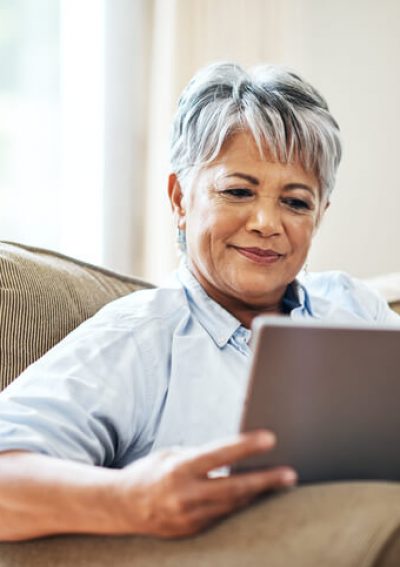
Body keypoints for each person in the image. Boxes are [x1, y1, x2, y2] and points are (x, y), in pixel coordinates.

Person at [0, 62, 398, 542]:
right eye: (237, 191)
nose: (267, 222)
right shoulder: (140, 339)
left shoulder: (357, 309)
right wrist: (130, 498)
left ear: (320, 215)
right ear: (180, 199)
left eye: (296, 202)